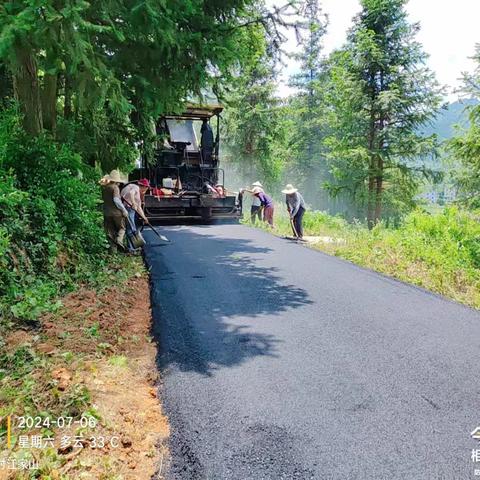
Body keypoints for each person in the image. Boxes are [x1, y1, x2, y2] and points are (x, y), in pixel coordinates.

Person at [100, 170, 129, 252]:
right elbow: (116, 200)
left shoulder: (104, 188)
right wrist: (124, 210)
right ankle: (119, 240)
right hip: (117, 213)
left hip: (106, 213)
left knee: (110, 231)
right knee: (122, 228)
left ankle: (113, 251)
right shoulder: (115, 188)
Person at [121, 179, 150, 252]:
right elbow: (131, 193)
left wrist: (144, 217)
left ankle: (133, 246)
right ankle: (131, 248)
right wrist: (133, 203)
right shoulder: (135, 187)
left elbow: (139, 207)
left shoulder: (138, 194)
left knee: (131, 227)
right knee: (131, 228)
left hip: (130, 209)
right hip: (128, 208)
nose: (146, 189)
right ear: (142, 186)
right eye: (146, 187)